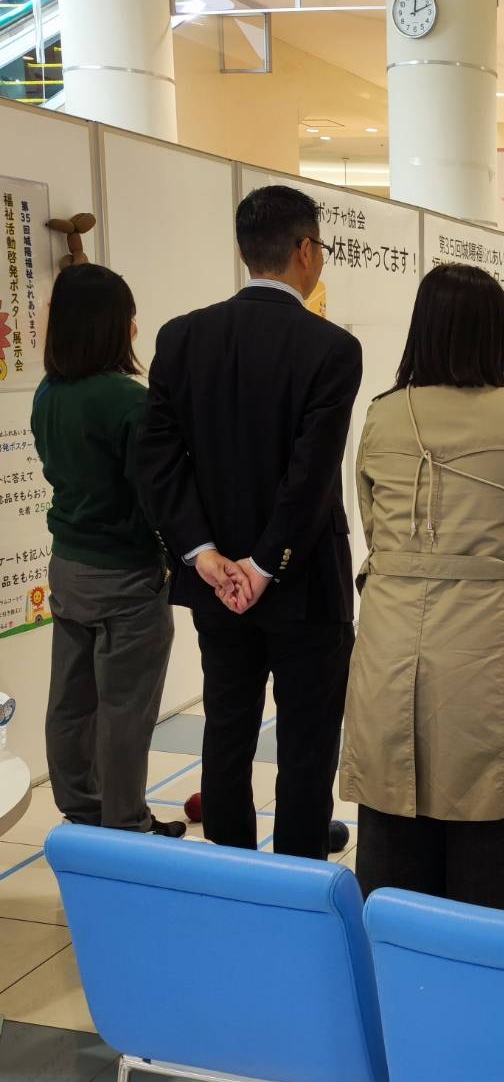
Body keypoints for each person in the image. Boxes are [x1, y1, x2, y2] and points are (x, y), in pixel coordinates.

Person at [135, 186, 362, 860]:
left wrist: (203, 554)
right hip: (304, 582)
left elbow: (157, 459)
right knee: (307, 740)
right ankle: (296, 874)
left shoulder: (181, 337)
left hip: (216, 583)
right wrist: (265, 566)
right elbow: (311, 476)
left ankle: (230, 870)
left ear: (244, 252)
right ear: (305, 250)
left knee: (227, 727)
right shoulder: (331, 348)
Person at [339, 264, 504, 910]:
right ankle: (486, 966)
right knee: (489, 813)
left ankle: (398, 958)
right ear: (496, 335)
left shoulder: (383, 416)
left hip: (390, 636)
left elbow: (374, 528)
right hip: (490, 639)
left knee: (394, 805)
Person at [31, 264, 185, 839]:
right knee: (125, 710)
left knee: (71, 700)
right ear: (112, 324)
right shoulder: (128, 401)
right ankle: (127, 825)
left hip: (68, 564)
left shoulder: (48, 394)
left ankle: (82, 810)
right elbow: (154, 495)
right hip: (126, 574)